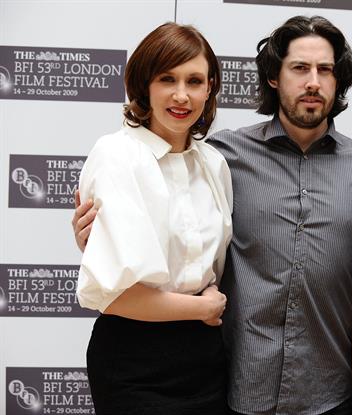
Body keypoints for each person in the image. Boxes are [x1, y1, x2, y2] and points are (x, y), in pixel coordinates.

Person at [72, 16, 352, 415]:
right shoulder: (221, 157)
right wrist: (94, 235)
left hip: (333, 393)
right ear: (273, 77)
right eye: (299, 68)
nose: (313, 81)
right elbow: (168, 213)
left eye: (326, 70)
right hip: (236, 387)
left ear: (339, 82)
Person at [75, 22, 232, 415]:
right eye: (167, 79)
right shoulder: (116, 155)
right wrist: (203, 308)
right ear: (144, 84)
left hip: (207, 358)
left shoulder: (214, 163)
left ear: (209, 88)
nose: (182, 95)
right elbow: (116, 296)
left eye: (194, 81)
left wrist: (208, 307)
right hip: (134, 359)